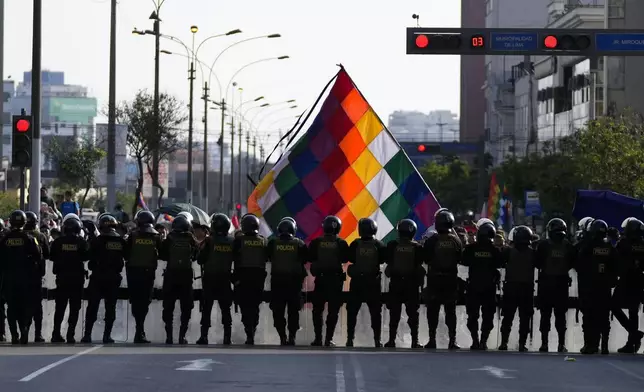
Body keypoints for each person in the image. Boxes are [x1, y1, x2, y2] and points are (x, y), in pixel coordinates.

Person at [81, 214, 125, 344]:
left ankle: (87, 335)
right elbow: (126, 256)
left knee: (92, 307)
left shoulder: (97, 240)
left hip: (98, 277)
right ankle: (107, 336)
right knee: (110, 308)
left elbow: (87, 255)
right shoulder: (121, 241)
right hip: (113, 278)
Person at [423, 209, 463, 349]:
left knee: (432, 311)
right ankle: (453, 340)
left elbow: (426, 259)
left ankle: (432, 339)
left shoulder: (431, 240)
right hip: (451, 280)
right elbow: (460, 258)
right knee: (450, 312)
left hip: (434, 279)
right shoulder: (456, 241)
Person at [0, 211, 42, 344]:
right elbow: (38, 255)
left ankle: (14, 335)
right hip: (25, 279)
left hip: (9, 279)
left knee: (11, 307)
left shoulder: (5, 239)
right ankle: (24, 331)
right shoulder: (29, 238)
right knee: (25, 306)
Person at [577, 219, 617, 354]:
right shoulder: (609, 247)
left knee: (589, 317)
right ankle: (604, 345)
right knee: (604, 317)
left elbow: (579, 264)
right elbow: (615, 266)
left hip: (590, 287)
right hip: (604, 288)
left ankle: (590, 345)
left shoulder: (587, 246)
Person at [535, 218, 575, 353]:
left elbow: (537, 263)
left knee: (545, 316)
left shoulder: (543, 245)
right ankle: (561, 344)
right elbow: (572, 263)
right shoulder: (568, 245)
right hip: (561, 284)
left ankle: (544, 344)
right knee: (560, 317)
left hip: (546, 284)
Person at [309, 216, 349, 346]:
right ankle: (328, 339)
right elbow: (344, 259)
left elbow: (311, 258)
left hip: (320, 280)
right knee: (333, 311)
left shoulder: (316, 242)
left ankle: (318, 339)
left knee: (317, 310)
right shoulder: (341, 243)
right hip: (335, 281)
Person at [461, 221, 502, 350]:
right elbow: (501, 265)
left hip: (474, 287)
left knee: (473, 316)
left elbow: (463, 262)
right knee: (487, 317)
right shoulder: (495, 251)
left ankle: (475, 340)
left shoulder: (470, 249)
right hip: (489, 289)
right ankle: (483, 341)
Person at [267, 217, 308, 345]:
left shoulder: (273, 243)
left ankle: (282, 336)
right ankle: (292, 337)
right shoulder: (300, 244)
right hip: (294, 284)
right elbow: (305, 259)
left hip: (277, 283)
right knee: (293, 312)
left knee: (278, 312)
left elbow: (267, 257)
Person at [384, 219, 424, 348]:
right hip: (411, 285)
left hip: (395, 284)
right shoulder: (417, 247)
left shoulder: (391, 245)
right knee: (413, 314)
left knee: (394, 314)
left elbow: (387, 263)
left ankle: (391, 340)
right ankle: (415, 341)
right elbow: (420, 264)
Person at [346, 218, 386, 347]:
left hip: (357, 282)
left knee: (352, 312)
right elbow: (382, 260)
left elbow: (350, 258)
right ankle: (377, 340)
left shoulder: (355, 244)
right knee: (375, 313)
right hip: (373, 283)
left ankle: (350, 339)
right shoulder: (379, 245)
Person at [160, 215, 199, 344]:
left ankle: (169, 336)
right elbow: (197, 254)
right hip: (185, 277)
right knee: (186, 308)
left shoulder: (169, 238)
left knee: (168, 308)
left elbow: (163, 255)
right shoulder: (190, 238)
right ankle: (182, 337)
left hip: (171, 276)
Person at [196, 213, 235, 345]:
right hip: (225, 279)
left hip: (210, 279)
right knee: (226, 310)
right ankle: (227, 338)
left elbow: (200, 260)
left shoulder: (209, 241)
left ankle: (204, 336)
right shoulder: (232, 241)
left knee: (207, 309)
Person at [124, 210, 162, 343]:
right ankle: (140, 330)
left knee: (136, 302)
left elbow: (126, 254)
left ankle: (139, 330)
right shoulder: (156, 236)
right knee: (145, 302)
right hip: (148, 274)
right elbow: (163, 253)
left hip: (134, 273)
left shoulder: (132, 235)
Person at [50, 217, 89, 343]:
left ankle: (56, 334)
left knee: (60, 308)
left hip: (62, 279)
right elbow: (87, 256)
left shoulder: (57, 242)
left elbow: (51, 257)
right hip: (77, 280)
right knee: (74, 308)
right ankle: (70, 335)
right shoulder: (81, 242)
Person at [232, 214, 269, 345]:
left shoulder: (238, 241)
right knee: (255, 306)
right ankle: (252, 329)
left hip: (242, 279)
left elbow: (232, 257)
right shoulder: (263, 241)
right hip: (258, 279)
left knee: (245, 307)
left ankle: (249, 332)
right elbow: (267, 257)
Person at [499, 225, 536, 352]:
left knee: (508, 317)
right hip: (526, 288)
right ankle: (521, 344)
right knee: (525, 319)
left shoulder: (508, 251)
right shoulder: (533, 253)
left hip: (511, 288)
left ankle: (504, 342)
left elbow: (500, 262)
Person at [611, 217, 644, 353]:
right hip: (639, 280)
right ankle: (632, 342)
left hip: (625, 280)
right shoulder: (643, 243)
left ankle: (633, 334)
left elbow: (614, 258)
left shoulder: (623, 243)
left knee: (614, 306)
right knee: (633, 311)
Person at [24, 211, 50, 343]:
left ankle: (23, 333)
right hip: (36, 276)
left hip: (19, 276)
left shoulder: (16, 236)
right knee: (36, 307)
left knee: (22, 305)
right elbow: (47, 254)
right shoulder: (41, 236)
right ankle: (37, 334)